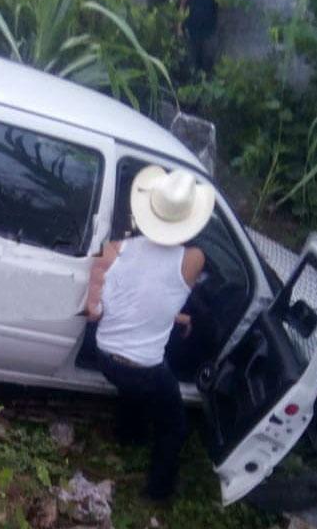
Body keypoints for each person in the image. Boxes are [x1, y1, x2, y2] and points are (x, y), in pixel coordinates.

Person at [87, 165, 215, 500]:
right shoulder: (194, 260)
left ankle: (127, 435)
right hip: (143, 370)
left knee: (133, 386)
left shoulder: (117, 249)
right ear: (190, 222)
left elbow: (135, 295)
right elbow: (164, 283)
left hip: (104, 357)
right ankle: (156, 494)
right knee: (174, 425)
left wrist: (177, 318)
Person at [178, 0, 228, 73]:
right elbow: (182, 6)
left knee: (207, 67)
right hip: (191, 32)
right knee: (191, 66)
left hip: (209, 34)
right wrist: (179, 26)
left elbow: (224, 4)